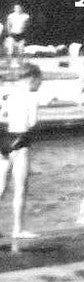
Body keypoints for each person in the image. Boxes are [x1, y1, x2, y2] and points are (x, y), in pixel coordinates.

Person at [1, 65, 42, 251]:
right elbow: (31, 122)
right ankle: (18, 229)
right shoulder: (31, 97)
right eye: (40, 80)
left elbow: (3, 116)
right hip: (21, 141)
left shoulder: (9, 94)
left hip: (4, 140)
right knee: (20, 189)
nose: (40, 84)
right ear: (32, 79)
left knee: (0, 187)